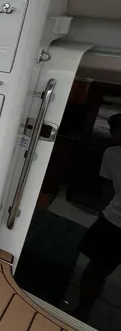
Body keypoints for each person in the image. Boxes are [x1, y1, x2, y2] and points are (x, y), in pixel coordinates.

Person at [71, 112, 121, 320]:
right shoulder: (112, 153)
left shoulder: (112, 153)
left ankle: (83, 312)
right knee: (98, 270)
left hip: (113, 221)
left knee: (95, 270)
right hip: (112, 219)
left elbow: (107, 191)